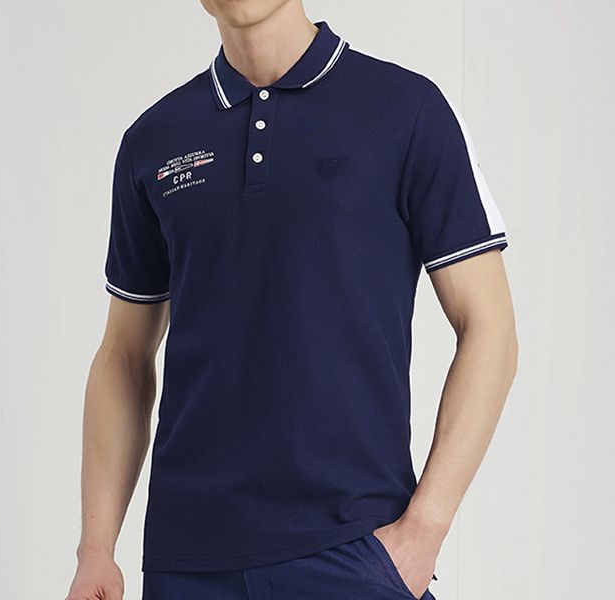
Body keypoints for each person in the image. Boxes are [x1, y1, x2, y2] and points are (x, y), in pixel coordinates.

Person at [65, 1, 518, 599]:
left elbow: (490, 327)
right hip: (188, 562)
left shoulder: (406, 110)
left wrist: (424, 532)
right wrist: (96, 549)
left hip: (353, 549)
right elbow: (123, 355)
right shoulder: (154, 140)